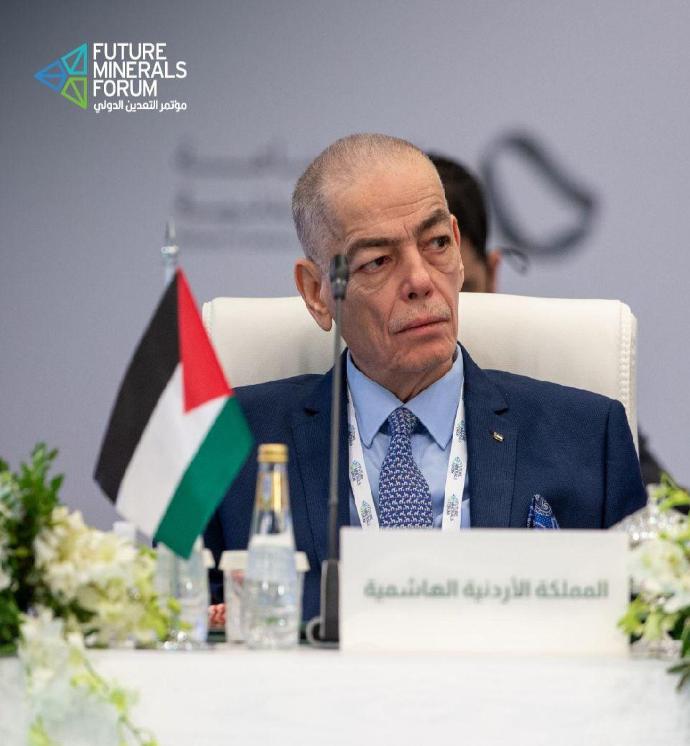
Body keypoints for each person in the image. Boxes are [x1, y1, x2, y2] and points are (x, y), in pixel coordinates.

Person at [205, 133, 646, 622]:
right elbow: (180, 619)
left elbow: (643, 630)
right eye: (377, 261)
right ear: (316, 291)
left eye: (436, 243)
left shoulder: (588, 436)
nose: (420, 280)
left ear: (457, 244)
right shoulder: (227, 441)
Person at [428, 151, 666, 487]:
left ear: (493, 274)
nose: (438, 314)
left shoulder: (577, 403)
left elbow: (671, 513)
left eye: (460, 290)